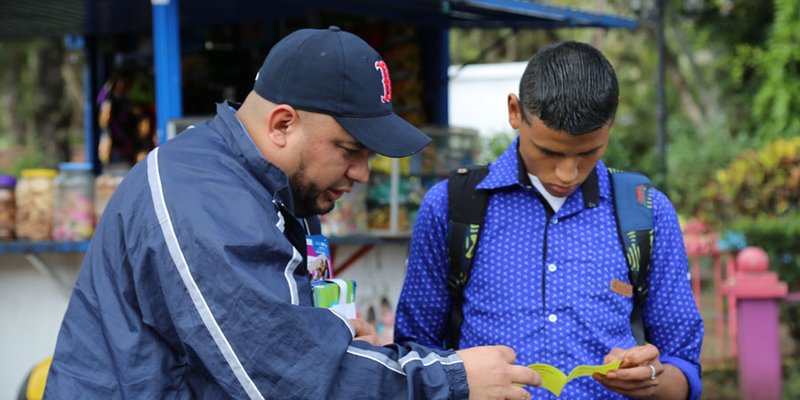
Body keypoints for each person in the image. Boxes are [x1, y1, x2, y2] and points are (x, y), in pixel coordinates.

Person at [44, 26, 541, 399]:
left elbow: (289, 339)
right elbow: (288, 376)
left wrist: (333, 333)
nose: (364, 173)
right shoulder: (201, 195)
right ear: (283, 124)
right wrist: (451, 380)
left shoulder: (273, 188)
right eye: (350, 149)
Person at [395, 41, 703, 399]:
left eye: (588, 152)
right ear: (514, 111)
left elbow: (683, 364)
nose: (567, 173)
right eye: (549, 151)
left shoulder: (646, 213)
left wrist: (652, 379)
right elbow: (415, 356)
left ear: (611, 120)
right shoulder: (451, 208)